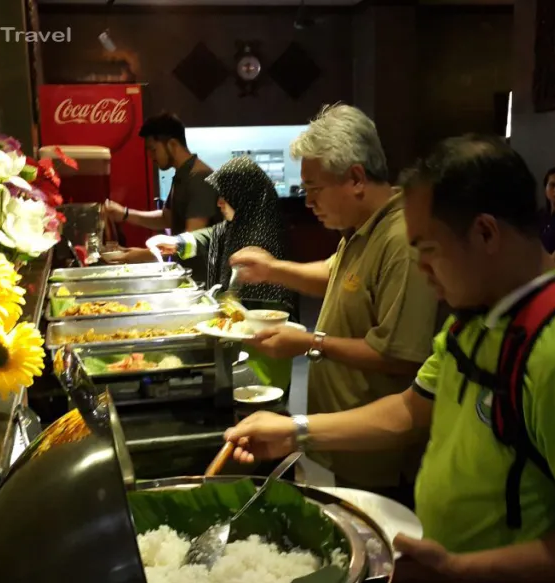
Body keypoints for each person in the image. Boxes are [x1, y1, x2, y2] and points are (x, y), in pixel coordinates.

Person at [225, 135, 555, 583]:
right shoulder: (474, 319)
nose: (421, 269)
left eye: (427, 248)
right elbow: (411, 410)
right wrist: (295, 432)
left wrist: (459, 572)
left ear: (486, 233)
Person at [228, 104, 441, 506]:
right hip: (351, 443)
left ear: (356, 178)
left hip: (383, 454)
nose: (308, 202)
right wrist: (271, 269)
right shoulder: (361, 228)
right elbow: (335, 276)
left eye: (314, 189)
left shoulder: (400, 239)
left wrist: (310, 343)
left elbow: (400, 356)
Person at [147, 156, 297, 312]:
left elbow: (259, 309)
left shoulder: (262, 238)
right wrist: (177, 242)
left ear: (244, 196)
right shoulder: (241, 223)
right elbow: (212, 234)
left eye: (225, 195)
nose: (219, 202)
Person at [103, 112, 221, 276]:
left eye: (153, 149)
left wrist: (138, 255)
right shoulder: (182, 175)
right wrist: (124, 214)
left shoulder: (199, 178)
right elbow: (166, 218)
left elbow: (191, 240)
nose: (150, 156)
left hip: (206, 278)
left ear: (172, 144)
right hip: (189, 273)